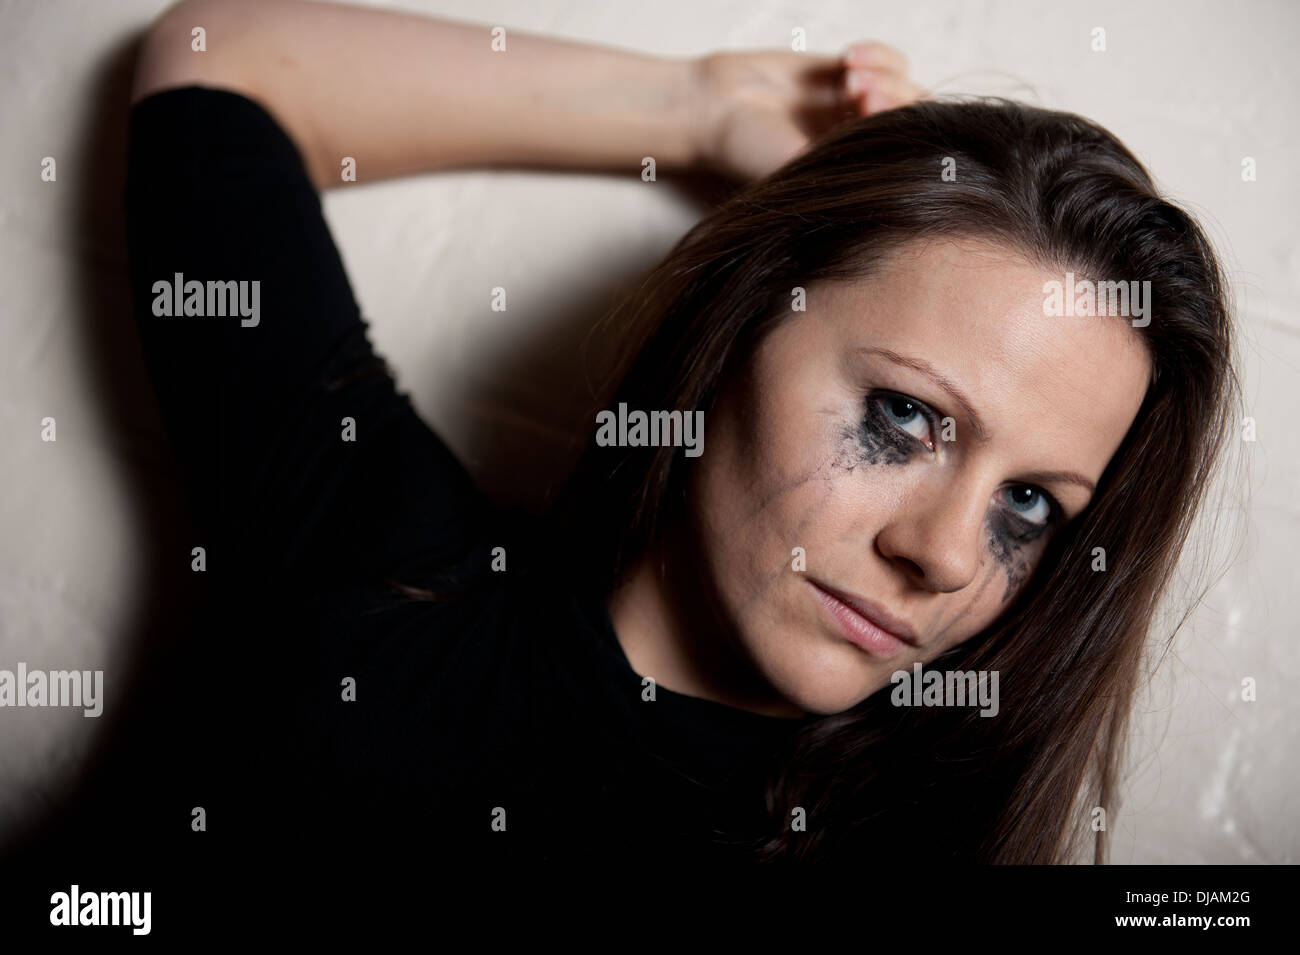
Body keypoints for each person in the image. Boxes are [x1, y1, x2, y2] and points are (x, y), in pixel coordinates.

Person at [119, 0, 1238, 883]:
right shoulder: (375, 557)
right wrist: (699, 108)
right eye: (904, 416)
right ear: (739, 322)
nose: (946, 556)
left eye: (1028, 505)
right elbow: (216, 62)